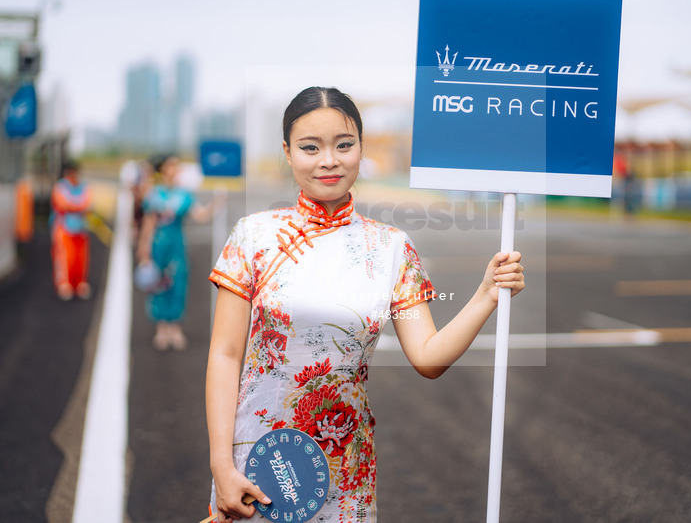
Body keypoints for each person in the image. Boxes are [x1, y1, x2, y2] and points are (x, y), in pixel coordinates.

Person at [205, 87, 525, 522]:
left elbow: (428, 357)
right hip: (258, 463)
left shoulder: (391, 248)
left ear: (360, 147)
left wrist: (486, 294)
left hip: (345, 468)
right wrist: (222, 466)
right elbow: (225, 355)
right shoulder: (253, 237)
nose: (329, 160)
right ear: (287, 152)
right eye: (310, 147)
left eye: (344, 144)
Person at [137, 154, 217, 351]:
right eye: (171, 166)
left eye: (177, 167)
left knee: (178, 284)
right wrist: (143, 250)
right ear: (163, 170)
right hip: (158, 246)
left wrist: (217, 203)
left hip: (177, 246)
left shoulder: (185, 195)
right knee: (158, 286)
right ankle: (162, 328)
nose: (174, 170)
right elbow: (148, 224)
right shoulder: (154, 194)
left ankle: (175, 328)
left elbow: (201, 216)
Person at [50, 159, 92, 301]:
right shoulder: (60, 187)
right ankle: (64, 284)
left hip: (81, 228)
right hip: (64, 228)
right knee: (64, 257)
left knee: (80, 258)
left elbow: (88, 203)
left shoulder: (84, 186)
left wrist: (74, 206)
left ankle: (79, 283)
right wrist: (79, 207)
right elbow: (62, 204)